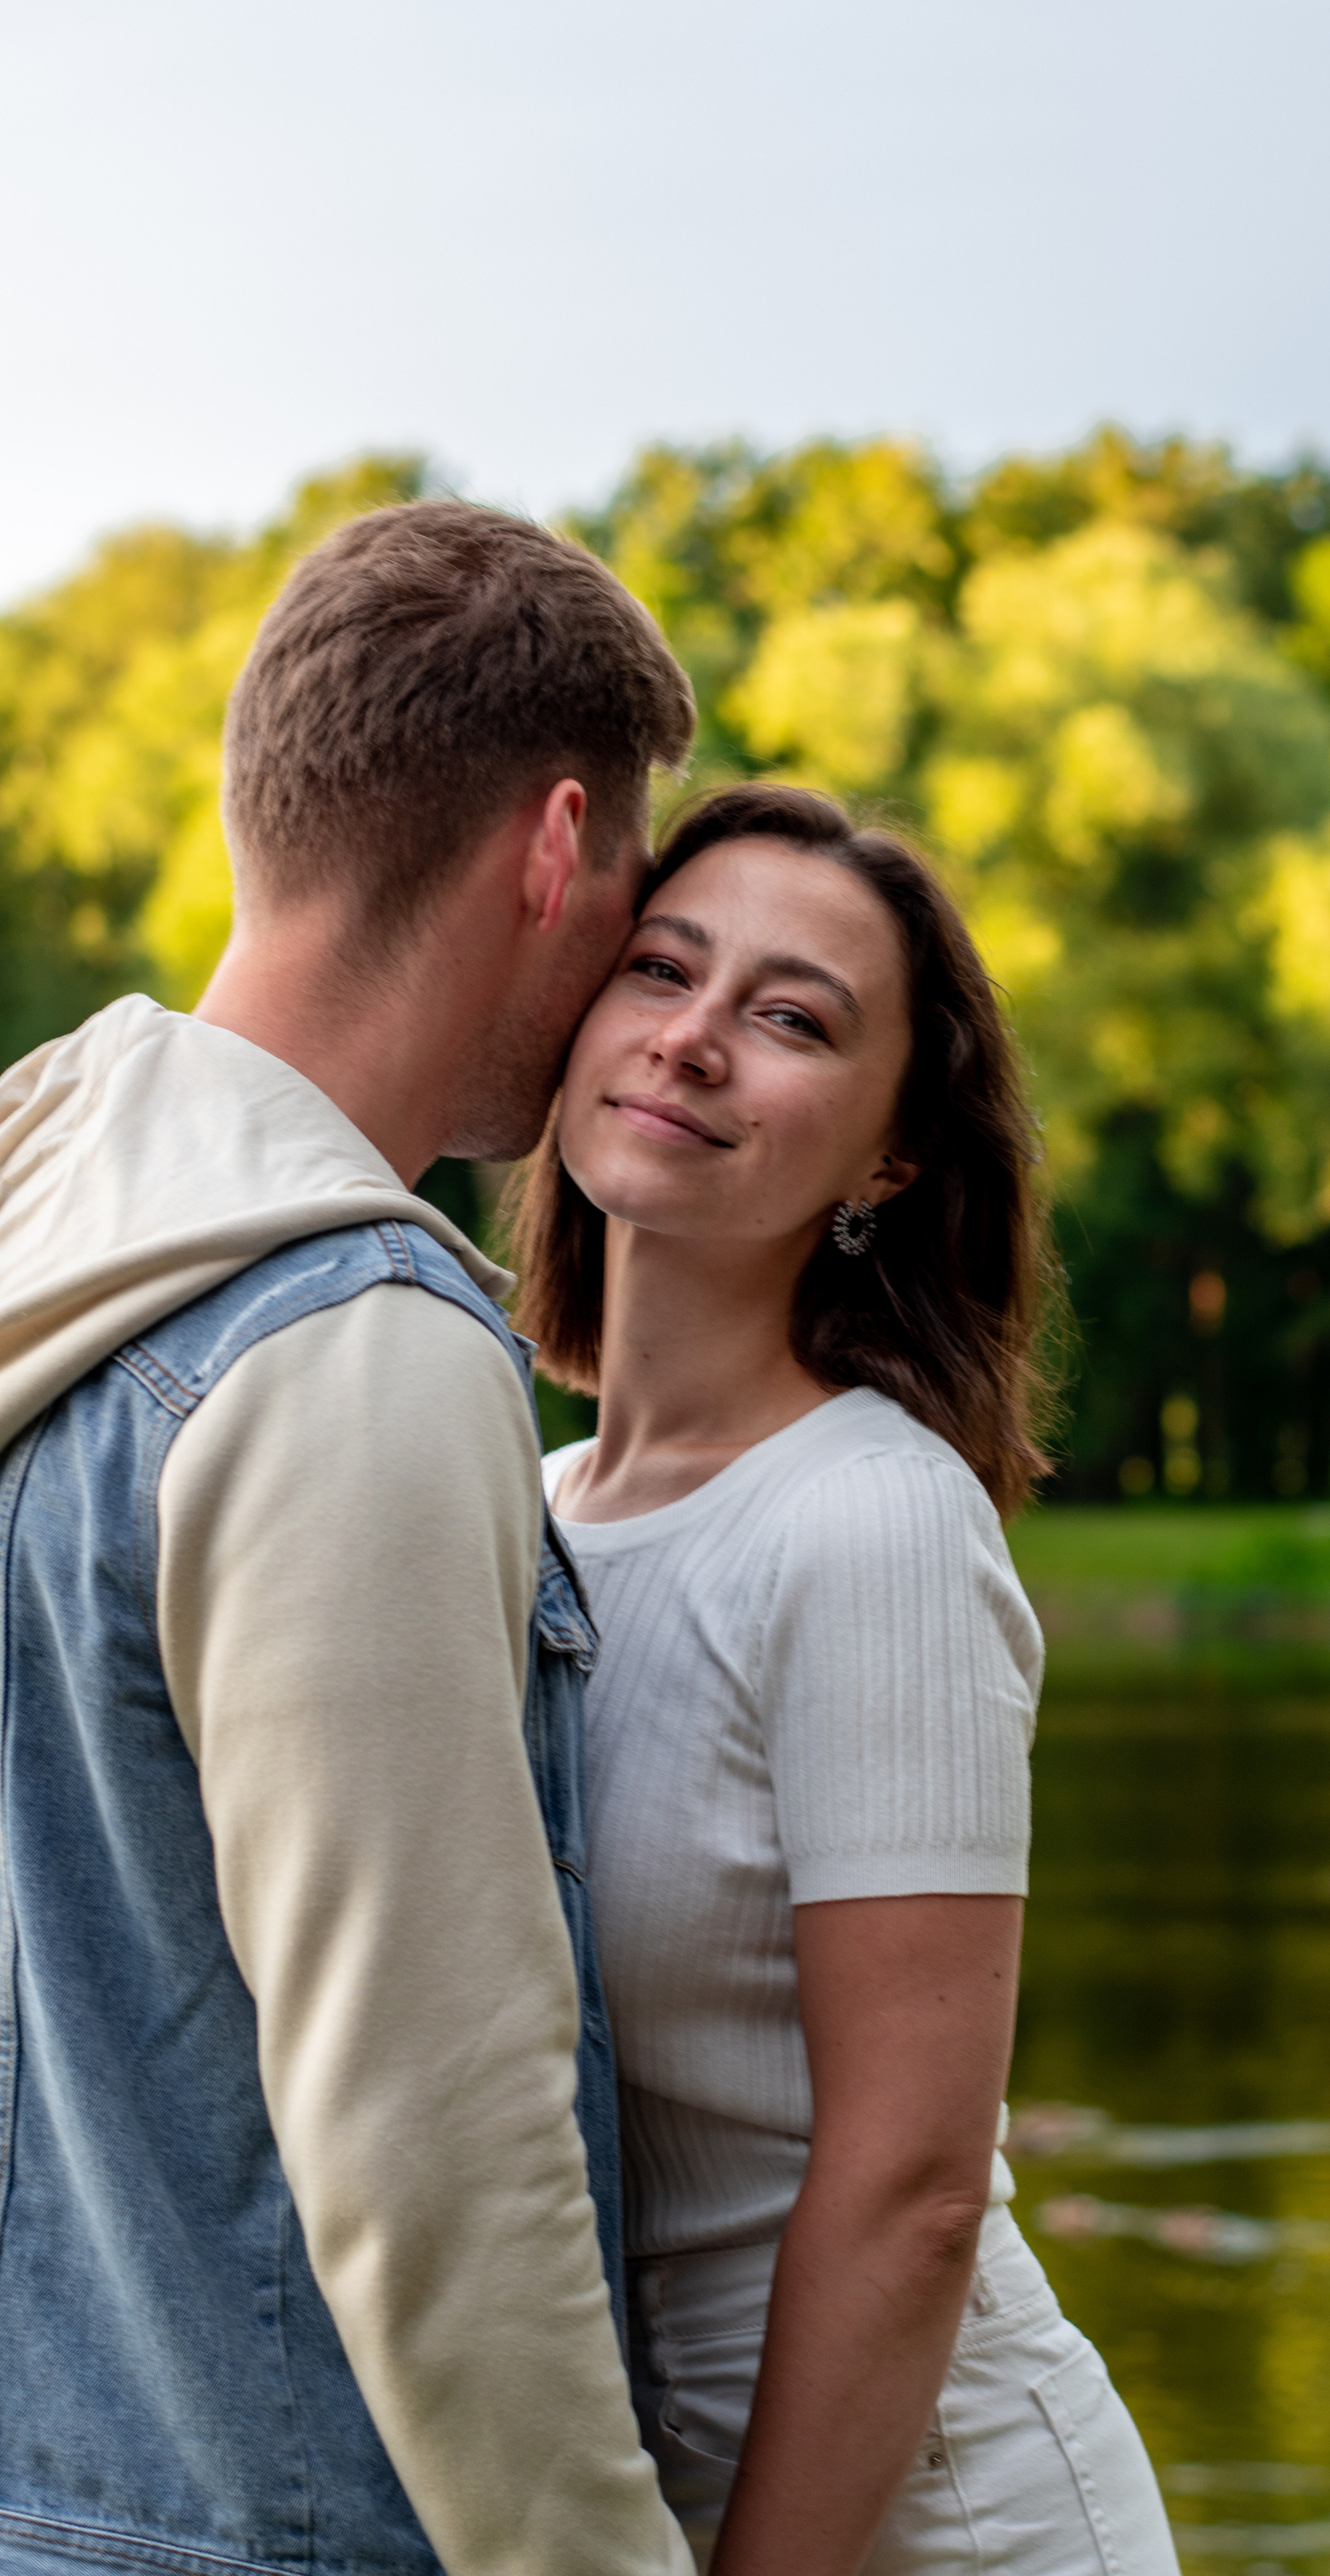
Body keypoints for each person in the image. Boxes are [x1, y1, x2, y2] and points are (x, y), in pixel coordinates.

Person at [0, 502, 699, 2576]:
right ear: (554, 851)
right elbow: (441, 2165)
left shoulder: (50, 1220)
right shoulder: (349, 1349)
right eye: (636, 912)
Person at [510, 782, 1181, 2576]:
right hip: (648, 2500)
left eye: (794, 1017)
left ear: (890, 1158)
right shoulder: (527, 1510)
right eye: (664, 967)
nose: (698, 1040)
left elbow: (912, 2192)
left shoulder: (868, 1521)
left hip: (928, 2519)